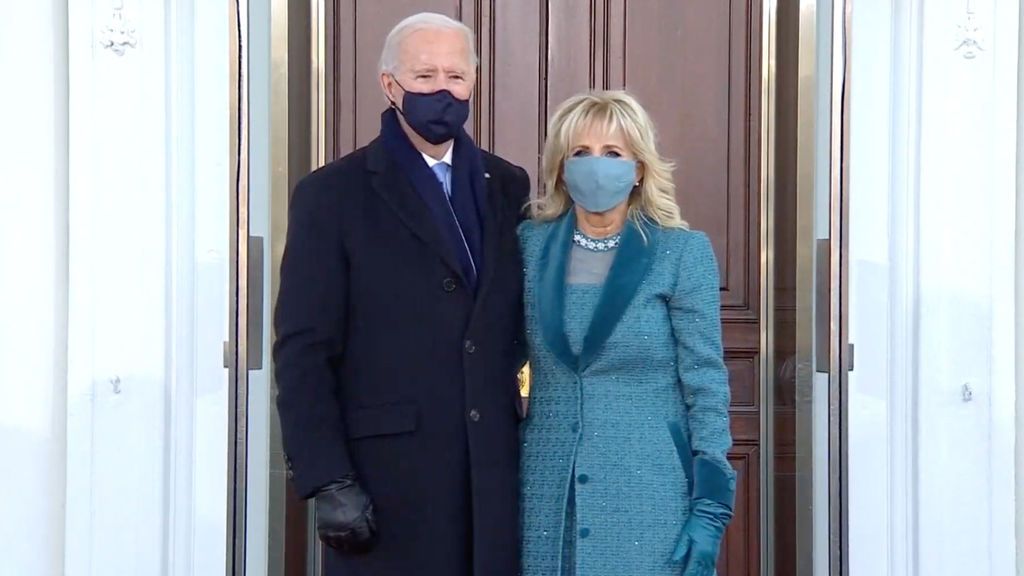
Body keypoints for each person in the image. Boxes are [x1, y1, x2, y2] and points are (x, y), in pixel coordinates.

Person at [273, 12, 530, 576]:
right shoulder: (331, 195)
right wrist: (327, 477)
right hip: (383, 487)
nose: (443, 89)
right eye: (425, 76)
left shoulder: (508, 185)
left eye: (456, 77)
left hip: (491, 486)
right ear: (390, 86)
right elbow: (303, 350)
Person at [518, 91, 736, 576]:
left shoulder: (681, 253)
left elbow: (705, 383)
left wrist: (711, 507)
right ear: (560, 166)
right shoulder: (527, 248)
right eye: (581, 153)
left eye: (613, 154)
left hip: (649, 491)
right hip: (545, 495)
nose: (597, 166)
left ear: (638, 168)